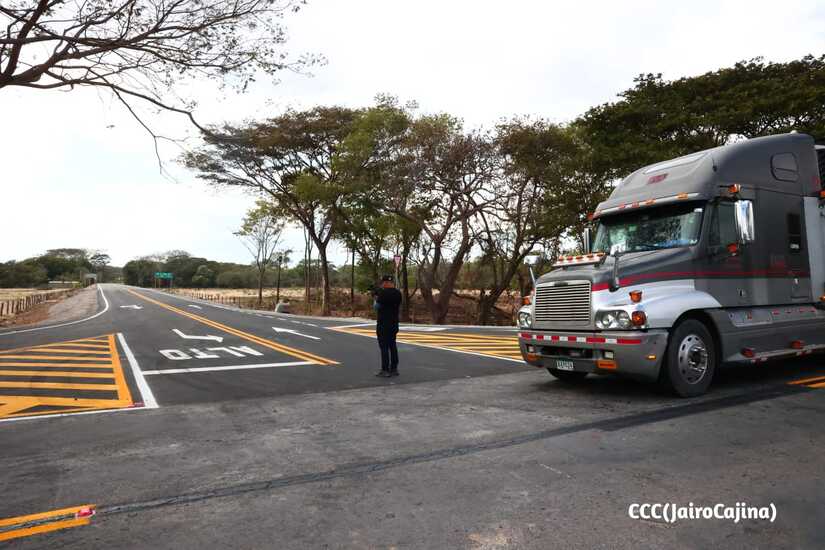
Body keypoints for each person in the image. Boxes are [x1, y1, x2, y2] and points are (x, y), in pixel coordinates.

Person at [374, 274, 402, 377]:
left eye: (383, 283)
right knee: (392, 345)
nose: (382, 285)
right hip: (394, 323)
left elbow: (376, 306)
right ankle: (394, 369)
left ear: (385, 283)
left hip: (383, 323)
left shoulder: (383, 294)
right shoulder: (398, 293)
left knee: (384, 347)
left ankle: (385, 369)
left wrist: (376, 297)